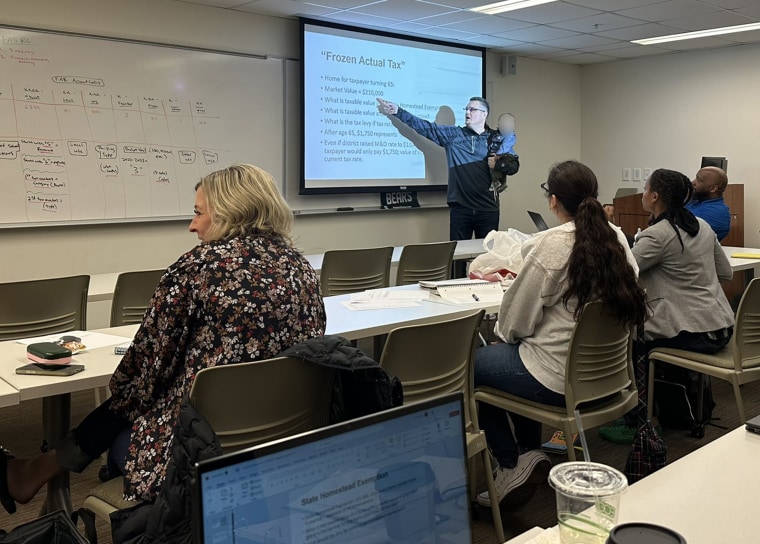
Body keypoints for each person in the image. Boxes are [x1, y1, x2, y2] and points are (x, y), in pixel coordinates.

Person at [1, 164, 326, 512]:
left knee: (130, 407)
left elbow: (143, 372)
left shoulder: (197, 268)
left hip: (197, 453)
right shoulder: (299, 267)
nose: (192, 225)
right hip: (279, 437)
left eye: (199, 213)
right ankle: (37, 471)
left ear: (230, 212)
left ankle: (40, 470)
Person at [474, 160, 648, 507]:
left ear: (553, 201)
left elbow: (512, 324)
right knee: (510, 361)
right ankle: (528, 454)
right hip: (610, 381)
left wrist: (508, 337)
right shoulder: (616, 237)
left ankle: (511, 462)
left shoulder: (552, 244)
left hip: (558, 381)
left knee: (475, 365)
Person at [599, 169, 734, 443]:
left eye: (645, 188)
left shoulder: (657, 235)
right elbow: (726, 273)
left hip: (693, 333)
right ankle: (669, 410)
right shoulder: (701, 226)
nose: (643, 193)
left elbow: (620, 275)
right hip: (721, 327)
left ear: (655, 196)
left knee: (631, 339)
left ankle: (639, 421)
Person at [377, 96, 498, 241]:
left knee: (489, 258)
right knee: (458, 256)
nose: (467, 112)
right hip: (461, 208)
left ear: (484, 114)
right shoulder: (453, 135)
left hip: (488, 209)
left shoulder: (495, 139)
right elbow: (425, 127)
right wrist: (398, 111)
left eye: (472, 109)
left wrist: (501, 166)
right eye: (466, 109)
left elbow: (513, 165)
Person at [687, 166, 731, 241]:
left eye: (699, 180)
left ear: (713, 189)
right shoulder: (695, 201)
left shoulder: (716, 212)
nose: (693, 183)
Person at [487, 112, 519, 194]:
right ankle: (500, 183)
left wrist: (497, 157)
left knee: (496, 167)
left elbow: (514, 167)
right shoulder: (495, 135)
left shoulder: (509, 135)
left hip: (507, 156)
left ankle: (498, 182)